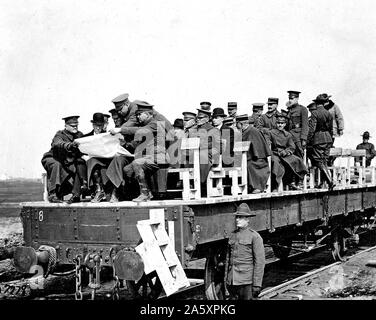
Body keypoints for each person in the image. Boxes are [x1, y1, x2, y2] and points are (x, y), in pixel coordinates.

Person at [122, 101, 170, 202]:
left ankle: (145, 193)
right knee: (127, 170)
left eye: (140, 114)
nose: (138, 117)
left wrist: (120, 130)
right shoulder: (146, 125)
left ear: (148, 114)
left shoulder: (155, 123)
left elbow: (141, 131)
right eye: (137, 114)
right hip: (149, 158)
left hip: (159, 157)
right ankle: (146, 192)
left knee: (137, 164)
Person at [41, 115, 87, 203]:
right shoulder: (60, 134)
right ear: (66, 126)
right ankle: (53, 194)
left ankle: (76, 194)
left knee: (80, 165)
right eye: (72, 126)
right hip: (53, 158)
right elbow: (58, 144)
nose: (75, 127)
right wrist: (69, 145)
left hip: (68, 162)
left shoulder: (79, 135)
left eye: (76, 125)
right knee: (56, 164)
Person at [226, 203, 265, 300]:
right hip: (232, 281)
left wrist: (257, 284)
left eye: (240, 217)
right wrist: (226, 280)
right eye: (237, 217)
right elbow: (228, 260)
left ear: (247, 219)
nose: (237, 219)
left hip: (246, 282)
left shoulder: (254, 237)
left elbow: (260, 262)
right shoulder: (232, 235)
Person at [268, 113, 308, 191]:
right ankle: (275, 185)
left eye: (282, 123)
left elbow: (292, 146)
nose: (280, 125)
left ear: (285, 124)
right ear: (276, 123)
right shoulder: (271, 133)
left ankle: (296, 182)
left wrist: (286, 151)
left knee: (297, 160)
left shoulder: (288, 135)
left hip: (285, 154)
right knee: (276, 163)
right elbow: (268, 143)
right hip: (275, 153)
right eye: (278, 123)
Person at [187, 108, 220, 196]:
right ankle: (189, 183)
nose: (198, 119)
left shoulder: (213, 130)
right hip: (195, 154)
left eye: (200, 118)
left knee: (202, 156)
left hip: (209, 156)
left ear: (208, 119)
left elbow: (217, 147)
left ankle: (200, 183)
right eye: (197, 117)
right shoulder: (193, 130)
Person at [237, 114, 271, 193]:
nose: (236, 126)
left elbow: (257, 150)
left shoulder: (252, 131)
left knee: (249, 165)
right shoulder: (245, 131)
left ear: (241, 124)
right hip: (248, 157)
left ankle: (257, 187)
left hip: (258, 159)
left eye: (237, 124)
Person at [82, 113, 112, 203]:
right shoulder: (85, 137)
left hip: (104, 161)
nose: (98, 128)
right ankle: (98, 191)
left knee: (95, 163)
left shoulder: (108, 137)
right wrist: (84, 156)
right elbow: (80, 151)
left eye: (100, 125)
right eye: (96, 125)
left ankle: (100, 191)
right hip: (90, 162)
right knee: (92, 162)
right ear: (93, 125)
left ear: (103, 125)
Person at [306, 97, 334, 189]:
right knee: (324, 160)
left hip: (319, 139)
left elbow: (312, 129)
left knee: (318, 160)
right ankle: (323, 182)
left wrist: (308, 140)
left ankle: (330, 181)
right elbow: (331, 129)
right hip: (328, 139)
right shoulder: (328, 113)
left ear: (317, 103)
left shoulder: (315, 113)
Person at [286, 90, 308, 159]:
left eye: (292, 99)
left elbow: (305, 125)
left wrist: (304, 139)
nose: (290, 100)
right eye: (289, 98)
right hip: (289, 136)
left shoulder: (303, 109)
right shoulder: (289, 110)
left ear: (297, 98)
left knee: (299, 156)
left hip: (298, 137)